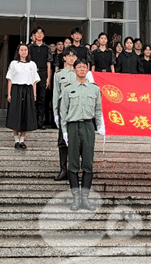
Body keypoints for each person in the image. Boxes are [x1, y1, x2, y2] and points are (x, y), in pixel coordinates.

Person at [61, 58, 104, 211]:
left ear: (87, 70)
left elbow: (98, 109)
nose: (81, 69)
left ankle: (85, 199)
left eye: (84, 67)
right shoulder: (68, 89)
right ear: (74, 70)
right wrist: (64, 131)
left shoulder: (94, 89)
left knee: (87, 164)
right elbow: (63, 112)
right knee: (73, 164)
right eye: (79, 67)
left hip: (88, 127)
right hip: (73, 126)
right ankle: (75, 199)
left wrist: (100, 126)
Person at [6, 44, 39, 149]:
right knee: (16, 114)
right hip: (16, 89)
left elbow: (34, 80)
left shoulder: (32, 64)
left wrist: (34, 94)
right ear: (18, 51)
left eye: (25, 50)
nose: (24, 52)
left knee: (26, 114)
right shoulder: (14, 63)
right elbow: (10, 79)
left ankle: (22, 140)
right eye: (22, 50)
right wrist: (9, 93)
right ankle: (16, 140)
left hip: (28, 90)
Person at [52, 48, 77, 182]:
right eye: (69, 56)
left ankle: (74, 170)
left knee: (76, 140)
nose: (71, 58)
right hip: (64, 108)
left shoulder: (80, 72)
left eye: (73, 56)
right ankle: (63, 170)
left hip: (77, 107)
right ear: (64, 58)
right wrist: (55, 113)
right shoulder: (59, 74)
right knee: (63, 140)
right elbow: (56, 94)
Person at [29, 27, 52, 129]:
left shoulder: (47, 48)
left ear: (44, 35)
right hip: (32, 73)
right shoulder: (30, 47)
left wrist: (48, 78)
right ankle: (32, 121)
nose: (39, 35)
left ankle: (40, 121)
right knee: (32, 97)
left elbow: (49, 64)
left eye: (41, 33)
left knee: (42, 98)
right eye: (37, 33)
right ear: (34, 35)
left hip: (43, 73)